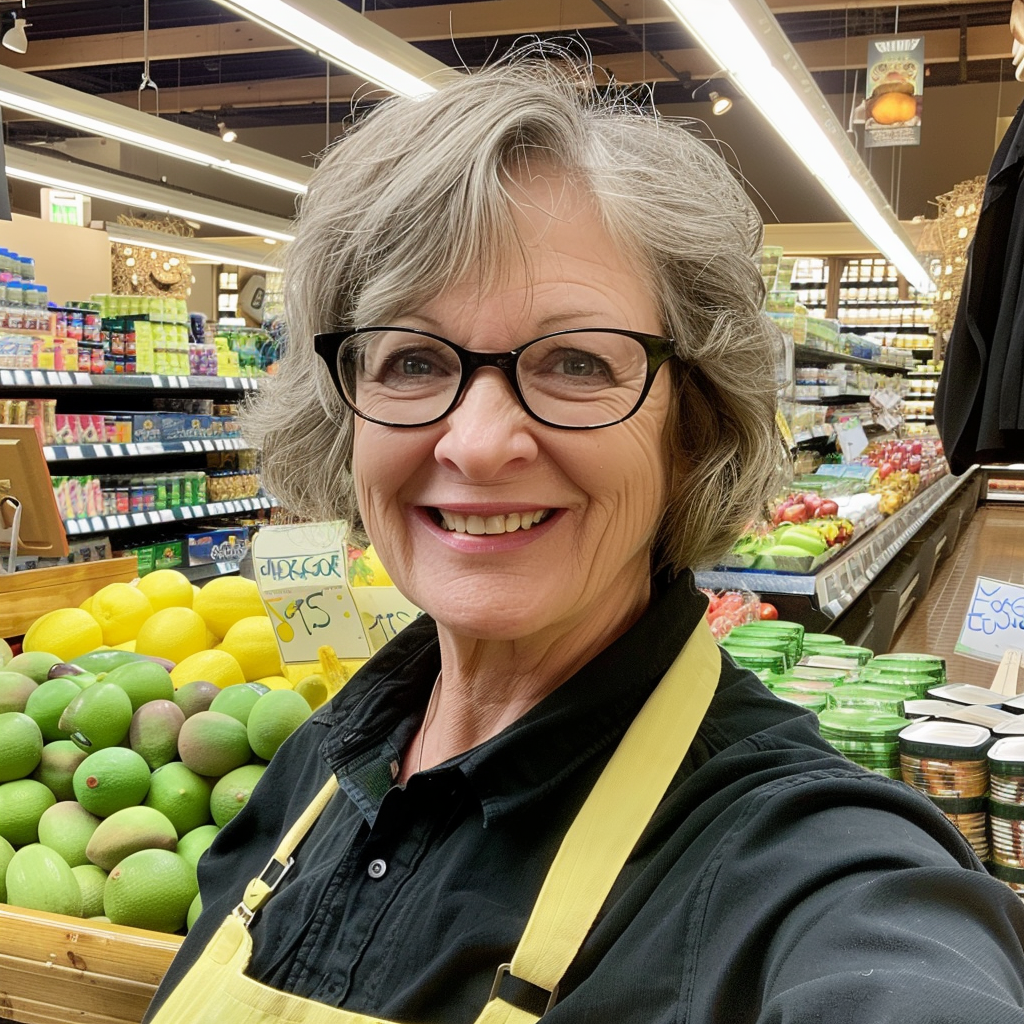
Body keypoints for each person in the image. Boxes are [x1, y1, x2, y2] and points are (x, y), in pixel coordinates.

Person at [145, 57, 1024, 1024]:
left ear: (692, 425)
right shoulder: (318, 761)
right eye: (410, 359)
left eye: (575, 362)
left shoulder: (801, 862)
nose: (478, 446)